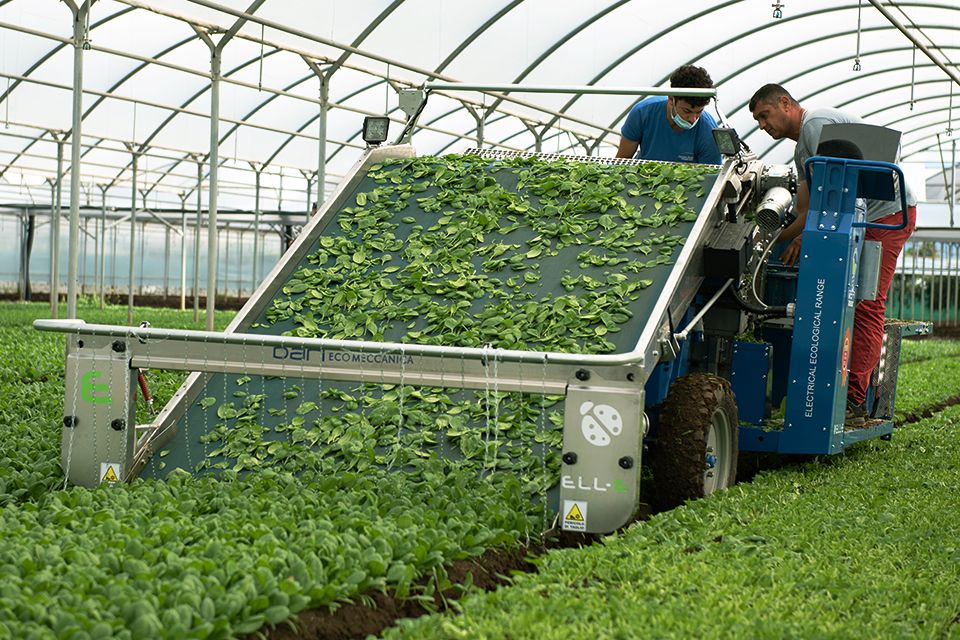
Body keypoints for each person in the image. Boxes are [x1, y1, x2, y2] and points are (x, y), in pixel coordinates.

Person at [748, 83, 917, 425]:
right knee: (844, 302)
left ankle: (854, 400)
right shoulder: (802, 150)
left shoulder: (815, 125)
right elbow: (806, 211)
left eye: (765, 116)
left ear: (785, 103)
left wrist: (782, 239)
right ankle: (836, 390)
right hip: (862, 218)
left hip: (885, 215)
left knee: (867, 303)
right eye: (757, 121)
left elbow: (833, 194)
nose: (763, 126)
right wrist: (769, 240)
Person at [615, 65, 722, 164]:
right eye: (686, 111)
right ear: (671, 99)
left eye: (699, 112)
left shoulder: (708, 131)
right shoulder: (643, 113)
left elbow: (712, 177)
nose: (693, 119)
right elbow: (621, 163)